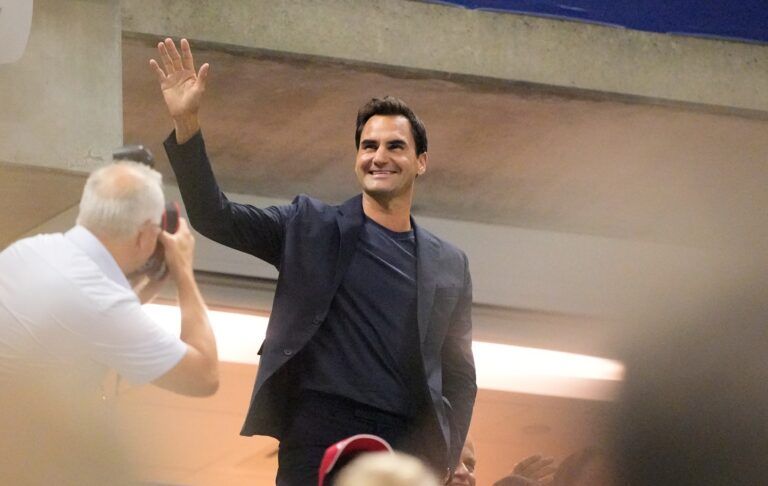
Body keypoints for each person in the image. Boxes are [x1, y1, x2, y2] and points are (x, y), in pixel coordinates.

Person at [150, 38, 476, 484]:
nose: (379, 156)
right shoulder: (309, 225)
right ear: (357, 157)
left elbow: (459, 375)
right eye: (368, 146)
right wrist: (186, 123)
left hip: (406, 439)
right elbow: (215, 217)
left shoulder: (450, 264)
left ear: (420, 162)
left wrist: (446, 454)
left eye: (395, 147)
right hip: (317, 428)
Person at [0, 161, 219, 397]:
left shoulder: (28, 250)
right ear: (145, 234)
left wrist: (151, 284)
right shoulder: (100, 304)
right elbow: (204, 377)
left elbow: (87, 314)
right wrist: (183, 270)